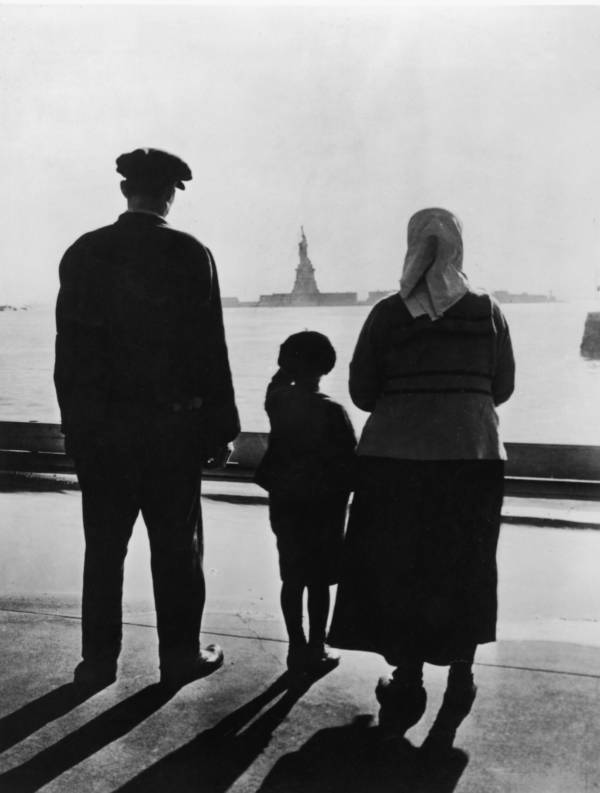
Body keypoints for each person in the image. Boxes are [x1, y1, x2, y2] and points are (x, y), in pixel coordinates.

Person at [54, 148, 240, 690]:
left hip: (102, 431)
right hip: (172, 431)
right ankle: (180, 655)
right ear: (170, 195)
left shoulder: (83, 252)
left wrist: (76, 426)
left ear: (124, 191)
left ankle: (97, 663)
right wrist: (220, 427)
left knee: (104, 548)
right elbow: (211, 348)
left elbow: (69, 352)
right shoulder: (189, 252)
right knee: (177, 549)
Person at [328, 207, 515, 744]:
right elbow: (500, 388)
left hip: (395, 461)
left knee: (401, 565)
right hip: (472, 456)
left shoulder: (388, 314)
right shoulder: (489, 311)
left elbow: (363, 393)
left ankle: (407, 677)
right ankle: (462, 673)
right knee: (466, 563)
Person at [255, 331, 356, 676]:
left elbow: (276, 383)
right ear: (327, 367)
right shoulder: (334, 412)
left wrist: (286, 365)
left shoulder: (279, 402)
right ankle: (317, 645)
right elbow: (350, 466)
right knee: (319, 580)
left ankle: (296, 646)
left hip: (285, 503)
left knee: (292, 576)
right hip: (324, 509)